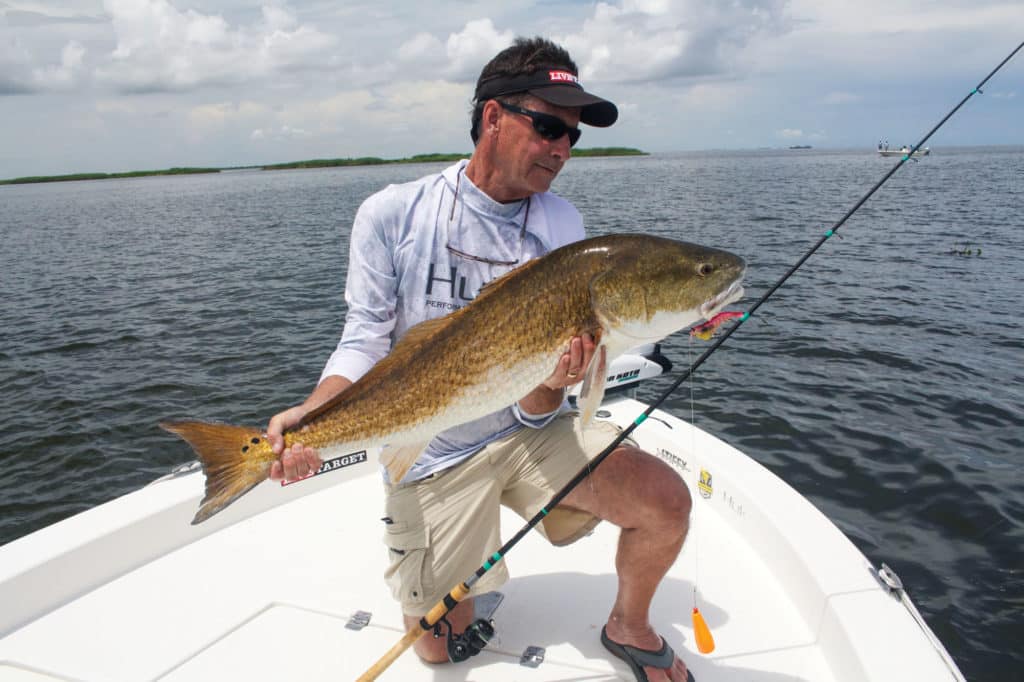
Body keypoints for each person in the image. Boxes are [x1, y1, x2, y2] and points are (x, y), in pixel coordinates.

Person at [266, 36, 694, 682]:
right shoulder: (391, 215)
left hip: (527, 432)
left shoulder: (561, 226)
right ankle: (473, 566)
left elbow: (535, 407)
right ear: (492, 118)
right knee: (436, 648)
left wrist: (554, 382)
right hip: (430, 452)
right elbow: (363, 340)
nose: (561, 149)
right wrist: (311, 417)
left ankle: (627, 625)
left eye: (572, 138)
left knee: (665, 500)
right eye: (548, 126)